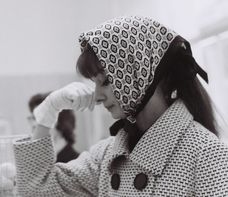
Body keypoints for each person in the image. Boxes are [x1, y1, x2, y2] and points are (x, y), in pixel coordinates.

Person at [13, 16, 228, 196]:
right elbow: (36, 190)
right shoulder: (108, 154)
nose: (97, 97)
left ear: (141, 74)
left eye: (105, 81)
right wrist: (48, 112)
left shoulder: (207, 155)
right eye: (94, 83)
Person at [28, 93, 79, 163]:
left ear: (61, 121)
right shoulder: (40, 162)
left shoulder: (77, 163)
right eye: (32, 118)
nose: (34, 124)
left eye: (40, 119)